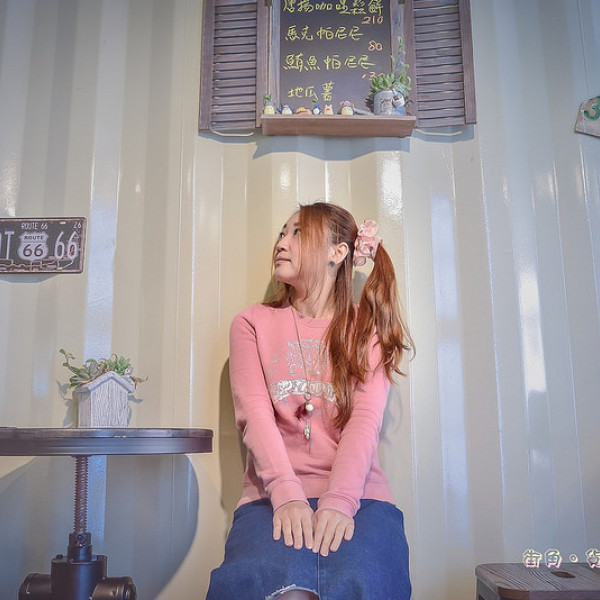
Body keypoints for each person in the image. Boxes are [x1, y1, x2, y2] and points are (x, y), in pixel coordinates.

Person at [207, 202, 414, 600]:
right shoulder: (251, 323)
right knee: (278, 588)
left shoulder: (367, 329)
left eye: (298, 233)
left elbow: (364, 420)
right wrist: (287, 496)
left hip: (361, 496)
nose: (281, 243)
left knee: (363, 581)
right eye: (281, 233)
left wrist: (339, 501)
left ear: (338, 252)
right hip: (270, 497)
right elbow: (255, 417)